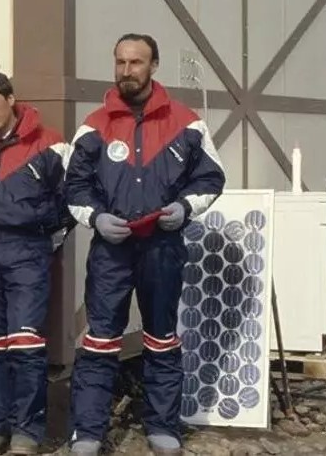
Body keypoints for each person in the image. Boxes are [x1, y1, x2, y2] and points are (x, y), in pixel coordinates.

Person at [65, 34, 226, 456]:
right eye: (119, 62)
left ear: (154, 65)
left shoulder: (187, 123)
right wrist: (95, 217)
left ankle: (162, 426)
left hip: (163, 247)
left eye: (136, 62)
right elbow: (74, 186)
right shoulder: (94, 126)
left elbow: (211, 178)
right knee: (100, 340)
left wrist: (184, 208)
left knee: (161, 338)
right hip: (111, 251)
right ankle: (88, 431)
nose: (126, 71)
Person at [0, 70, 74, 456]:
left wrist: (44, 243)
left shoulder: (49, 144)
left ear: (9, 98)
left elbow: (71, 201)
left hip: (28, 251)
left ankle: (27, 433)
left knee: (26, 344)